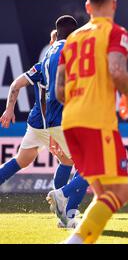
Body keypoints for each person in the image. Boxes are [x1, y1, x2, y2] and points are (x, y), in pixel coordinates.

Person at [55, 0, 128, 244]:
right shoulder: (116, 32)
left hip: (71, 122)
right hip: (97, 122)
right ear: (114, 4)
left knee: (102, 194)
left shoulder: (72, 39)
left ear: (88, 7)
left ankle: (80, 240)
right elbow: (116, 71)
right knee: (121, 193)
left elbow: (59, 90)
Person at [0, 19, 83, 227]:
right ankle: (68, 212)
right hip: (55, 122)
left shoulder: (42, 63)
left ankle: (63, 210)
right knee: (87, 166)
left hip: (36, 123)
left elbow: (16, 84)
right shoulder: (68, 53)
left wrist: (9, 110)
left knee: (21, 160)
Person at [40, 16, 90, 229]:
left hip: (52, 119)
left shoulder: (48, 54)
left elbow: (43, 93)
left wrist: (47, 129)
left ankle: (66, 217)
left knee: (68, 162)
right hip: (70, 116)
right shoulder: (71, 51)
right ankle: (63, 197)